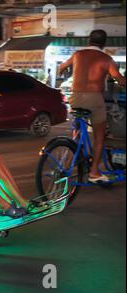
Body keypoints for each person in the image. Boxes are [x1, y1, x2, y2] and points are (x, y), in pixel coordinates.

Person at [59, 29, 126, 183]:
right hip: (94, 99)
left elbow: (62, 67)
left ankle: (78, 148)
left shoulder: (77, 55)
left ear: (89, 40)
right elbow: (120, 80)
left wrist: (68, 73)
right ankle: (94, 172)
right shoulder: (106, 59)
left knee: (80, 122)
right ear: (104, 43)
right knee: (99, 136)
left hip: (75, 98)